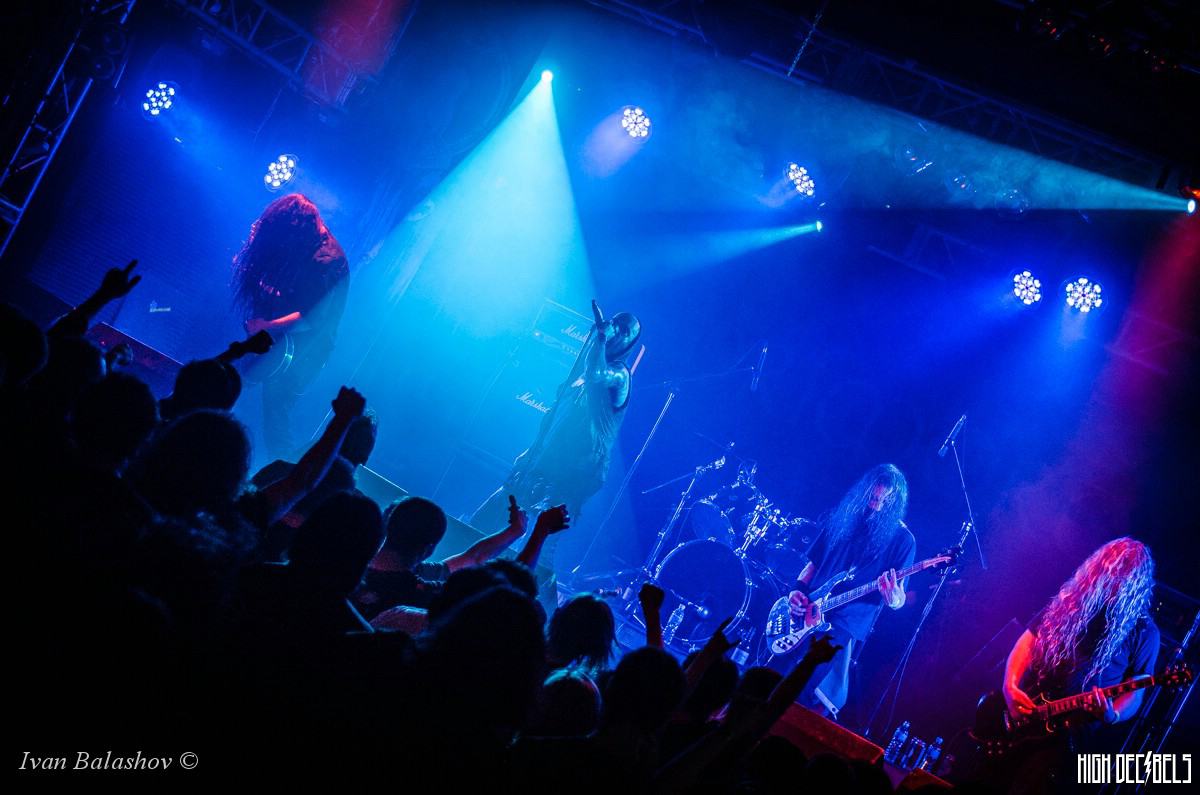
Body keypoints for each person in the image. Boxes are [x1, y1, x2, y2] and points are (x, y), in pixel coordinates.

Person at [993, 537, 1159, 794]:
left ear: (1135, 583)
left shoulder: (1144, 631)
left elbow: (1135, 692)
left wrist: (1113, 714)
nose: (1113, 581)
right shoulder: (1073, 600)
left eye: (1122, 577)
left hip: (1066, 737)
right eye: (1109, 572)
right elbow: (1028, 641)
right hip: (1024, 711)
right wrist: (1010, 686)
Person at [781, 463, 916, 717]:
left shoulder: (902, 540)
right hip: (806, 608)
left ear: (895, 503)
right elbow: (812, 565)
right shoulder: (843, 517)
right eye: (873, 497)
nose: (876, 504)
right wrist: (796, 591)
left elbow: (898, 599)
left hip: (843, 624)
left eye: (883, 501)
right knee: (771, 673)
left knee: (800, 688)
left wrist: (893, 598)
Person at [232, 194, 349, 458]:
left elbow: (311, 318)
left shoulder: (325, 261)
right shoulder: (311, 244)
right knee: (243, 393)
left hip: (305, 352)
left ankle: (280, 475)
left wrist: (266, 324)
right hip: (285, 342)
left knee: (275, 419)